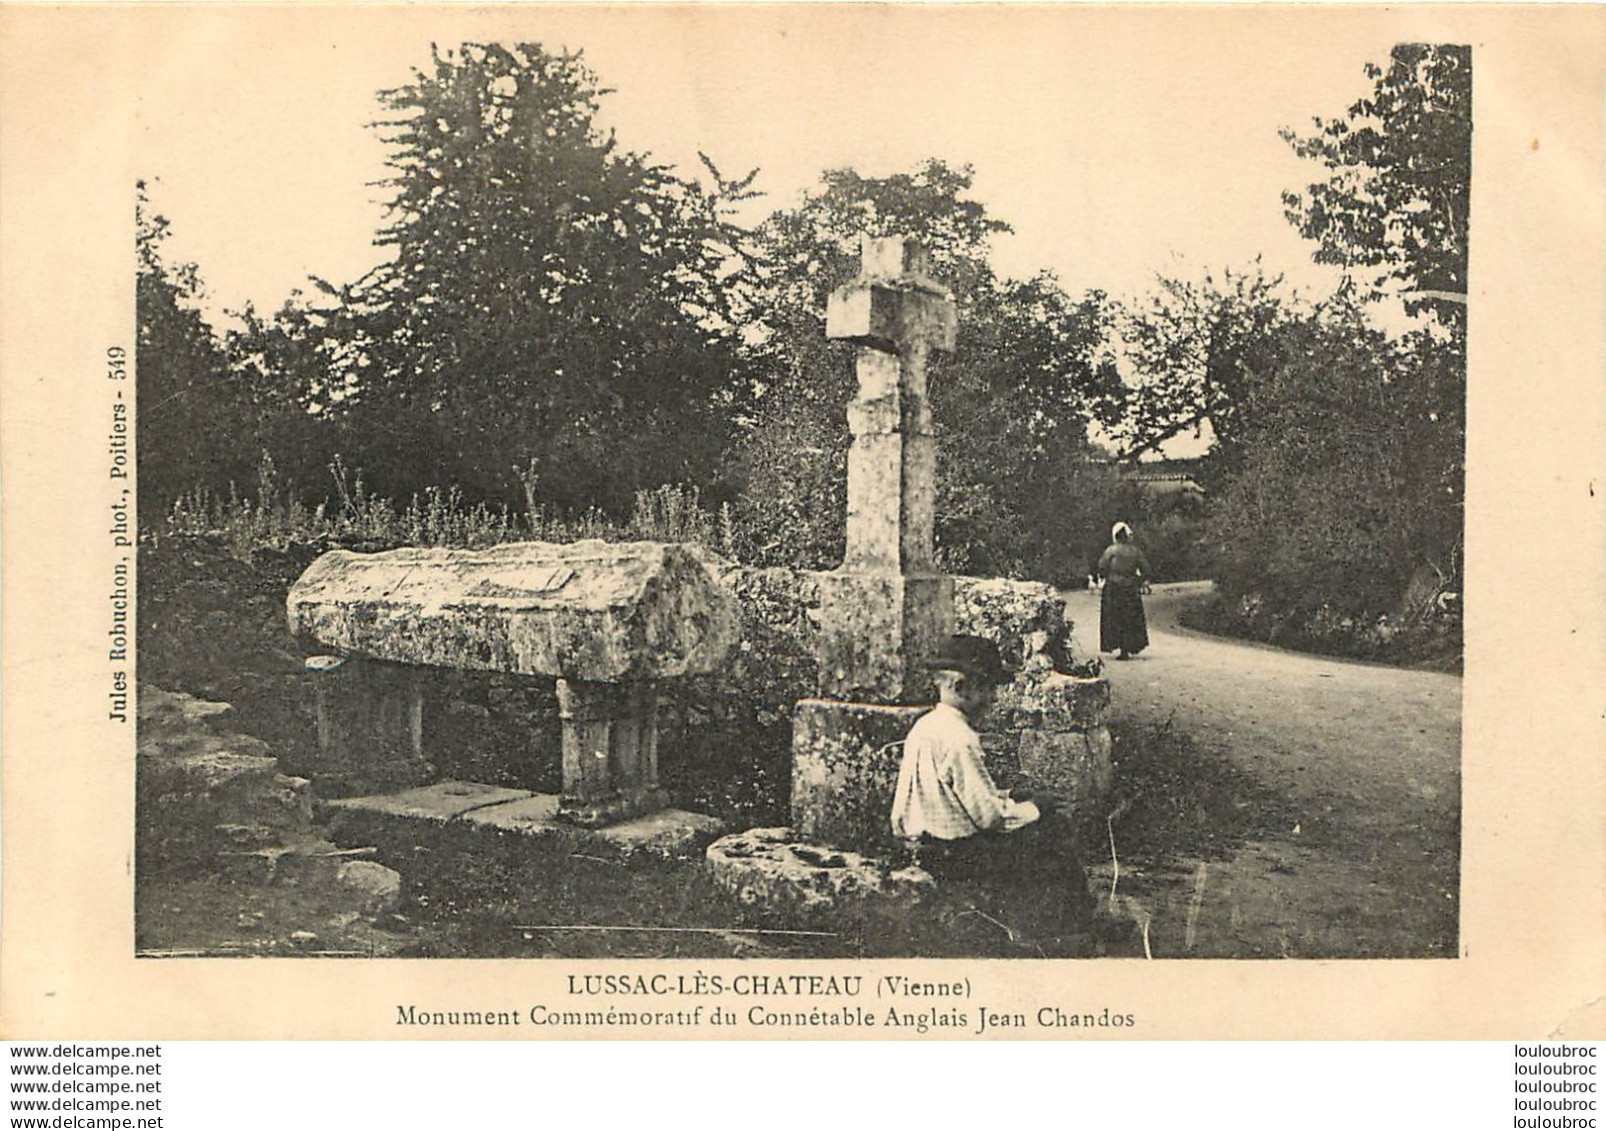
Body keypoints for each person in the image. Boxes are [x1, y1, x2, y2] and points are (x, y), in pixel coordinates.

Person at [890, 634, 1092, 936]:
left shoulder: (925, 727)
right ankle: (1065, 924)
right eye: (988, 689)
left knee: (1036, 818)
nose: (993, 699)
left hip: (919, 841)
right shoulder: (960, 739)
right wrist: (1036, 807)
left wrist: (1009, 796)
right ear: (961, 687)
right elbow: (991, 819)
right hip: (953, 853)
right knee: (1051, 829)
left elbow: (955, 793)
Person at [1097, 521, 1151, 659]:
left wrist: (1107, 577)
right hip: (1130, 588)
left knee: (1116, 618)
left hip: (1114, 588)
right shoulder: (1135, 552)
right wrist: (1137, 581)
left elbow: (1102, 567)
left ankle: (1120, 647)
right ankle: (1128, 647)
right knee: (1130, 618)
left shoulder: (1111, 550)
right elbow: (1146, 569)